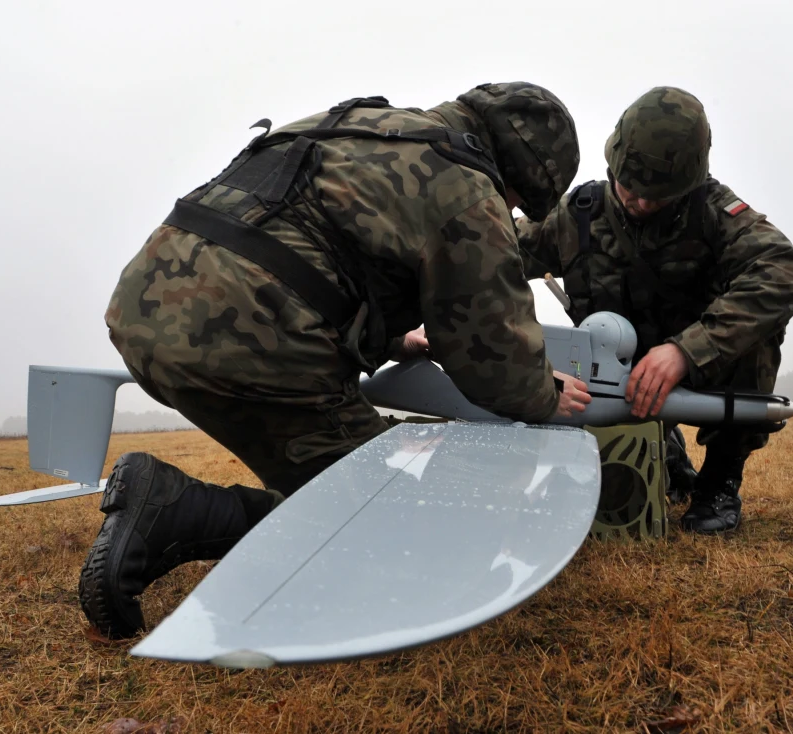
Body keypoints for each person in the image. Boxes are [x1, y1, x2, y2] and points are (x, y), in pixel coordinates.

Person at [81, 82, 591, 639]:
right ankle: (170, 509)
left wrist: (394, 340)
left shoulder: (362, 126)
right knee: (400, 525)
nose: (508, 210)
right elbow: (492, 352)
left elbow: (308, 243)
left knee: (332, 486)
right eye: (516, 202)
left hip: (144, 311)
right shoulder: (469, 187)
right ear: (522, 175)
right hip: (249, 338)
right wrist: (543, 392)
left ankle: (189, 510)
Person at [515, 86, 793, 534]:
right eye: (629, 187)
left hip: (697, 371)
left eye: (657, 196)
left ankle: (719, 481)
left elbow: (785, 274)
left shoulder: (716, 215)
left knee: (759, 333)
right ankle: (663, 452)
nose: (639, 202)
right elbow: (497, 253)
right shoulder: (576, 216)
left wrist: (686, 350)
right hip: (611, 376)